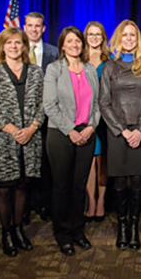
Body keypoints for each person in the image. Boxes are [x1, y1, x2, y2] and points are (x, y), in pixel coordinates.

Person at [0, 27, 44, 257]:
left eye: (18, 43)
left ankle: (18, 230)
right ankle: (6, 232)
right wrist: (15, 131)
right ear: (2, 47)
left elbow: (43, 105)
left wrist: (31, 128)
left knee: (22, 186)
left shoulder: (36, 73)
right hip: (2, 139)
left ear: (24, 46)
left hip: (30, 138)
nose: (14, 47)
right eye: (10, 43)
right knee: (4, 188)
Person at [99, 20, 141, 251]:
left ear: (138, 39)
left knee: (137, 181)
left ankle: (134, 226)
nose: (129, 39)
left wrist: (139, 130)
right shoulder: (109, 67)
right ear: (118, 39)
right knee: (120, 181)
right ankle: (122, 226)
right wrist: (123, 130)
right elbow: (103, 102)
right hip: (117, 132)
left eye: (133, 35)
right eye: (125, 35)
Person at [44, 26, 100, 256]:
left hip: (87, 133)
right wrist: (71, 130)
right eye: (70, 41)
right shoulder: (54, 69)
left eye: (78, 41)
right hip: (61, 134)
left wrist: (90, 127)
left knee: (79, 187)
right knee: (62, 187)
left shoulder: (90, 69)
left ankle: (78, 231)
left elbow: (98, 104)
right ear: (62, 45)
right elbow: (49, 105)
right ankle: (63, 234)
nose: (75, 45)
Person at [23, 11, 59, 223]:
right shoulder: (17, 50)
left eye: (38, 26)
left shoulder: (54, 52)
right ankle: (25, 206)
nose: (34, 29)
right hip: (24, 117)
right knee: (26, 164)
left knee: (46, 164)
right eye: (30, 25)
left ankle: (44, 204)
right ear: (25, 27)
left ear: (43, 28)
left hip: (49, 116)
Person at [83, 21, 111, 223]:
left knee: (102, 162)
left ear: (103, 37)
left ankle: (101, 201)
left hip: (106, 119)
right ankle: (90, 201)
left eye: (98, 34)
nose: (94, 37)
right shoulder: (78, 59)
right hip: (84, 118)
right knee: (88, 162)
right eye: (91, 34)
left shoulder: (110, 61)